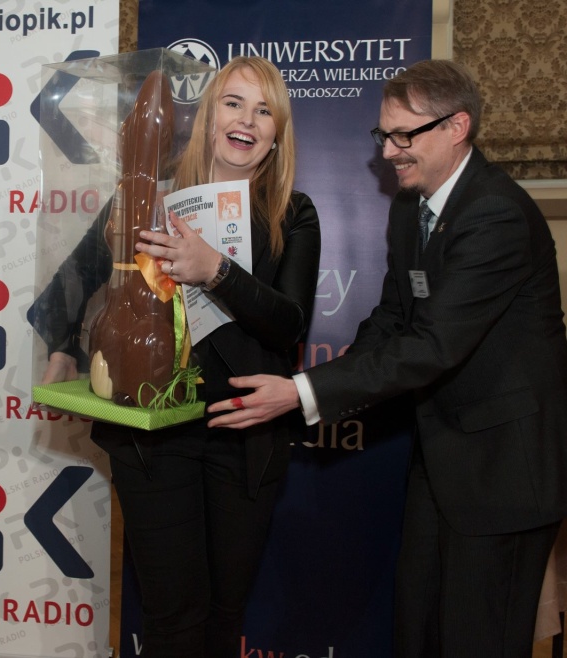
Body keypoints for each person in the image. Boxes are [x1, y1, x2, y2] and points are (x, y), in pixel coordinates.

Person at [211, 59, 567, 657]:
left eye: (406, 136)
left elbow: (434, 344)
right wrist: (333, 373)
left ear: (457, 128)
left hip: (504, 472)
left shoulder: (495, 214)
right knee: (418, 631)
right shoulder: (412, 207)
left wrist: (303, 392)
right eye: (384, 135)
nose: (390, 152)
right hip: (445, 459)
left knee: (477, 640)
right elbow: (395, 318)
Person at [28, 56, 321, 658]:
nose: (247, 120)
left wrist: (216, 271)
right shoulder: (151, 195)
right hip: (154, 434)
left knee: (222, 614)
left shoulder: (293, 214)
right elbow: (78, 276)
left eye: (265, 110)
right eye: (234, 103)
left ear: (277, 133)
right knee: (171, 616)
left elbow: (289, 322)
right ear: (209, 115)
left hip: (244, 433)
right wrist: (61, 348)